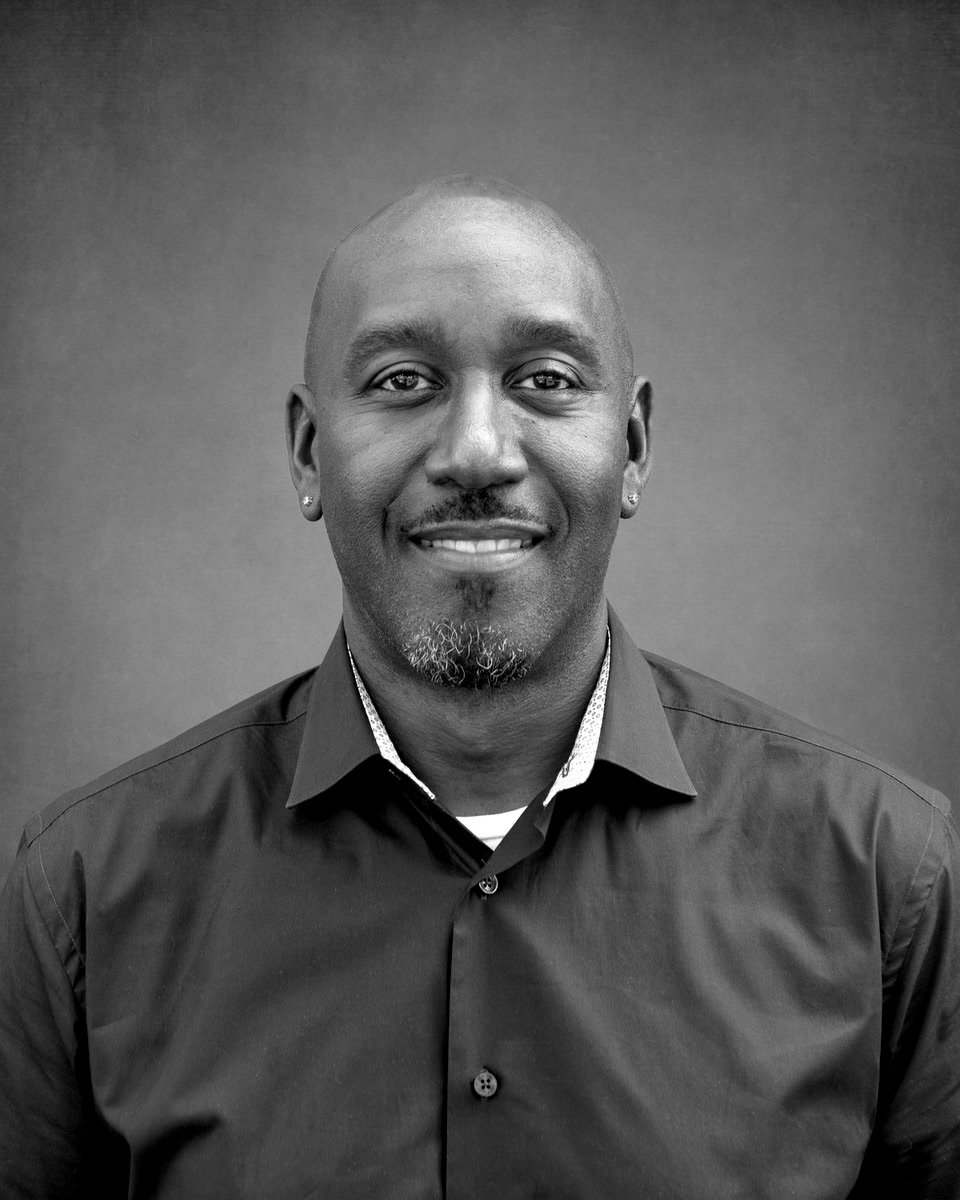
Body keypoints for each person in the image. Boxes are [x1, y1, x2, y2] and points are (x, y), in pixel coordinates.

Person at [1, 176, 957, 1200]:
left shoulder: (884, 875)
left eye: (545, 379)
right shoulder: (86, 895)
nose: (476, 452)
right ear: (310, 453)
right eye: (403, 381)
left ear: (632, 447)